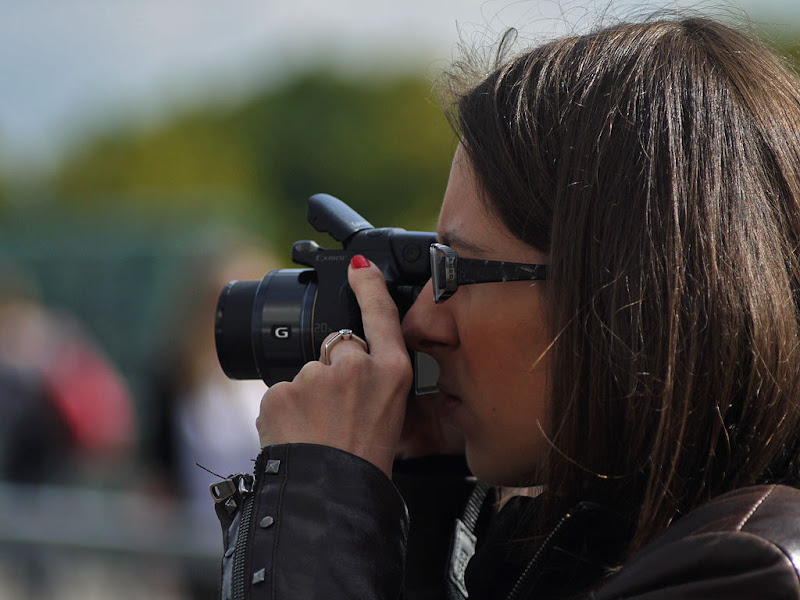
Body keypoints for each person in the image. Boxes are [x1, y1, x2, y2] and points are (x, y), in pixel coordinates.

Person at [212, 16, 800, 599]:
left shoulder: (745, 575)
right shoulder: (616, 550)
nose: (420, 323)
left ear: (619, 298)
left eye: (456, 271)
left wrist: (319, 506)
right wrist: (412, 489)